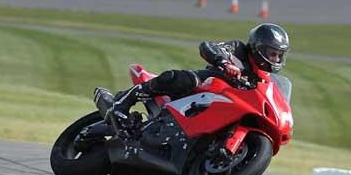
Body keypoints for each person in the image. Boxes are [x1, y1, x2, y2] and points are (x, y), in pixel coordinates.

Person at [98, 23, 290, 134]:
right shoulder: (239, 49)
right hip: (209, 86)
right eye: (270, 53)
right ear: (257, 47)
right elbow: (208, 46)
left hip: (228, 106)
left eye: (278, 55)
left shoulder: (265, 79)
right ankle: (123, 101)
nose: (274, 59)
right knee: (184, 79)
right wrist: (224, 63)